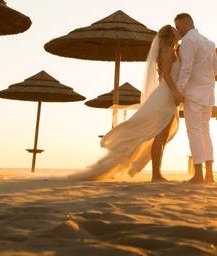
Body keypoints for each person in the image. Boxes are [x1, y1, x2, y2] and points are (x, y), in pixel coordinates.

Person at [70, 25, 184, 181]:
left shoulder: (175, 50)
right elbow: (166, 75)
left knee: (162, 136)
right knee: (159, 135)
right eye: (175, 30)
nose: (179, 32)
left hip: (167, 95)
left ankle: (157, 173)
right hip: (166, 96)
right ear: (170, 35)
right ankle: (156, 175)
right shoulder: (168, 50)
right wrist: (176, 92)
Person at [173, 12, 217, 184]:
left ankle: (198, 174)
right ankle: (209, 174)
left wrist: (178, 91)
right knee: (205, 131)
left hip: (193, 94)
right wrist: (204, 76)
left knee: (194, 132)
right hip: (208, 94)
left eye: (179, 26)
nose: (178, 30)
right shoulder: (209, 43)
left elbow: (186, 69)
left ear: (188, 22)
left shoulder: (188, 41)